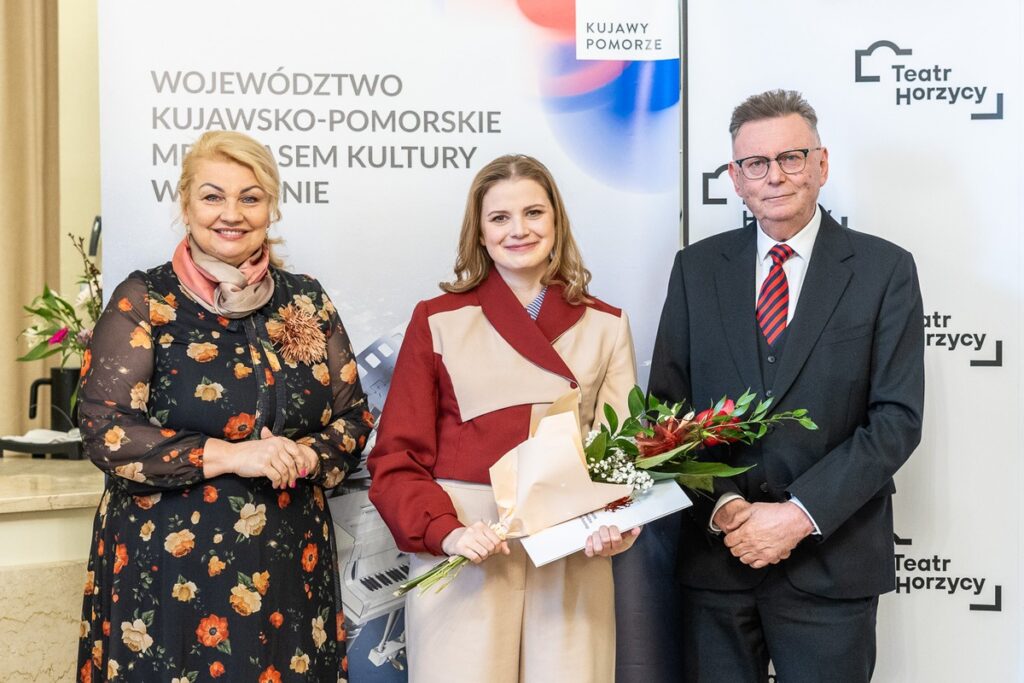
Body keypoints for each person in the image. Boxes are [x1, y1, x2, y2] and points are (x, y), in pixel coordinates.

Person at [76, 130, 372, 682]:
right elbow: (104, 430)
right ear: (185, 203)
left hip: (289, 564)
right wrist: (237, 457)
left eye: (250, 197)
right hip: (168, 569)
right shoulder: (145, 300)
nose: (231, 213)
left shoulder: (306, 298)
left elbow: (353, 416)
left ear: (271, 209)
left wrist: (304, 456)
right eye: (213, 196)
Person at [650, 90, 924, 682]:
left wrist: (798, 516)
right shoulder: (695, 270)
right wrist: (723, 509)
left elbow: (896, 419)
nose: (774, 177)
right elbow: (665, 416)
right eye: (755, 164)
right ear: (735, 178)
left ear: (821, 164)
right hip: (716, 565)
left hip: (832, 564)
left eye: (791, 158)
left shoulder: (884, 271)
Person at [368, 154, 640, 683]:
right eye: (500, 218)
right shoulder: (437, 319)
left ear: (556, 221)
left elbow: (622, 455)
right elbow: (396, 457)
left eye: (534, 213)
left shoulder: (607, 324)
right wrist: (444, 532)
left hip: (570, 550)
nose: (519, 230)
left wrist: (616, 523)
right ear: (480, 232)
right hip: (467, 545)